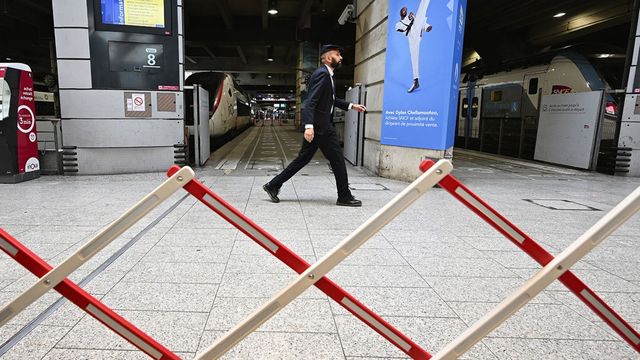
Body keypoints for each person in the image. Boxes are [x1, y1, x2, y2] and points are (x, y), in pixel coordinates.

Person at [263, 44, 367, 207]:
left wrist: (351, 106)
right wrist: (309, 126)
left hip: (320, 126)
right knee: (338, 160)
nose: (340, 58)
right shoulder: (323, 75)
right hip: (322, 127)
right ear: (327, 58)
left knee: (303, 159)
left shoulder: (328, 75)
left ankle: (273, 185)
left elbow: (330, 100)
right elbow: (310, 101)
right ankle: (344, 196)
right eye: (337, 55)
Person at [396, 0, 433, 93]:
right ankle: (416, 81)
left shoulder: (411, 17)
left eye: (405, 10)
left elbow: (419, 22)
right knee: (414, 59)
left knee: (421, 11)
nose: (405, 10)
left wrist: (426, 27)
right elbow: (402, 27)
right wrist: (409, 18)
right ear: (401, 13)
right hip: (412, 38)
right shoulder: (398, 23)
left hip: (417, 31)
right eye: (403, 10)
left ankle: (425, 2)